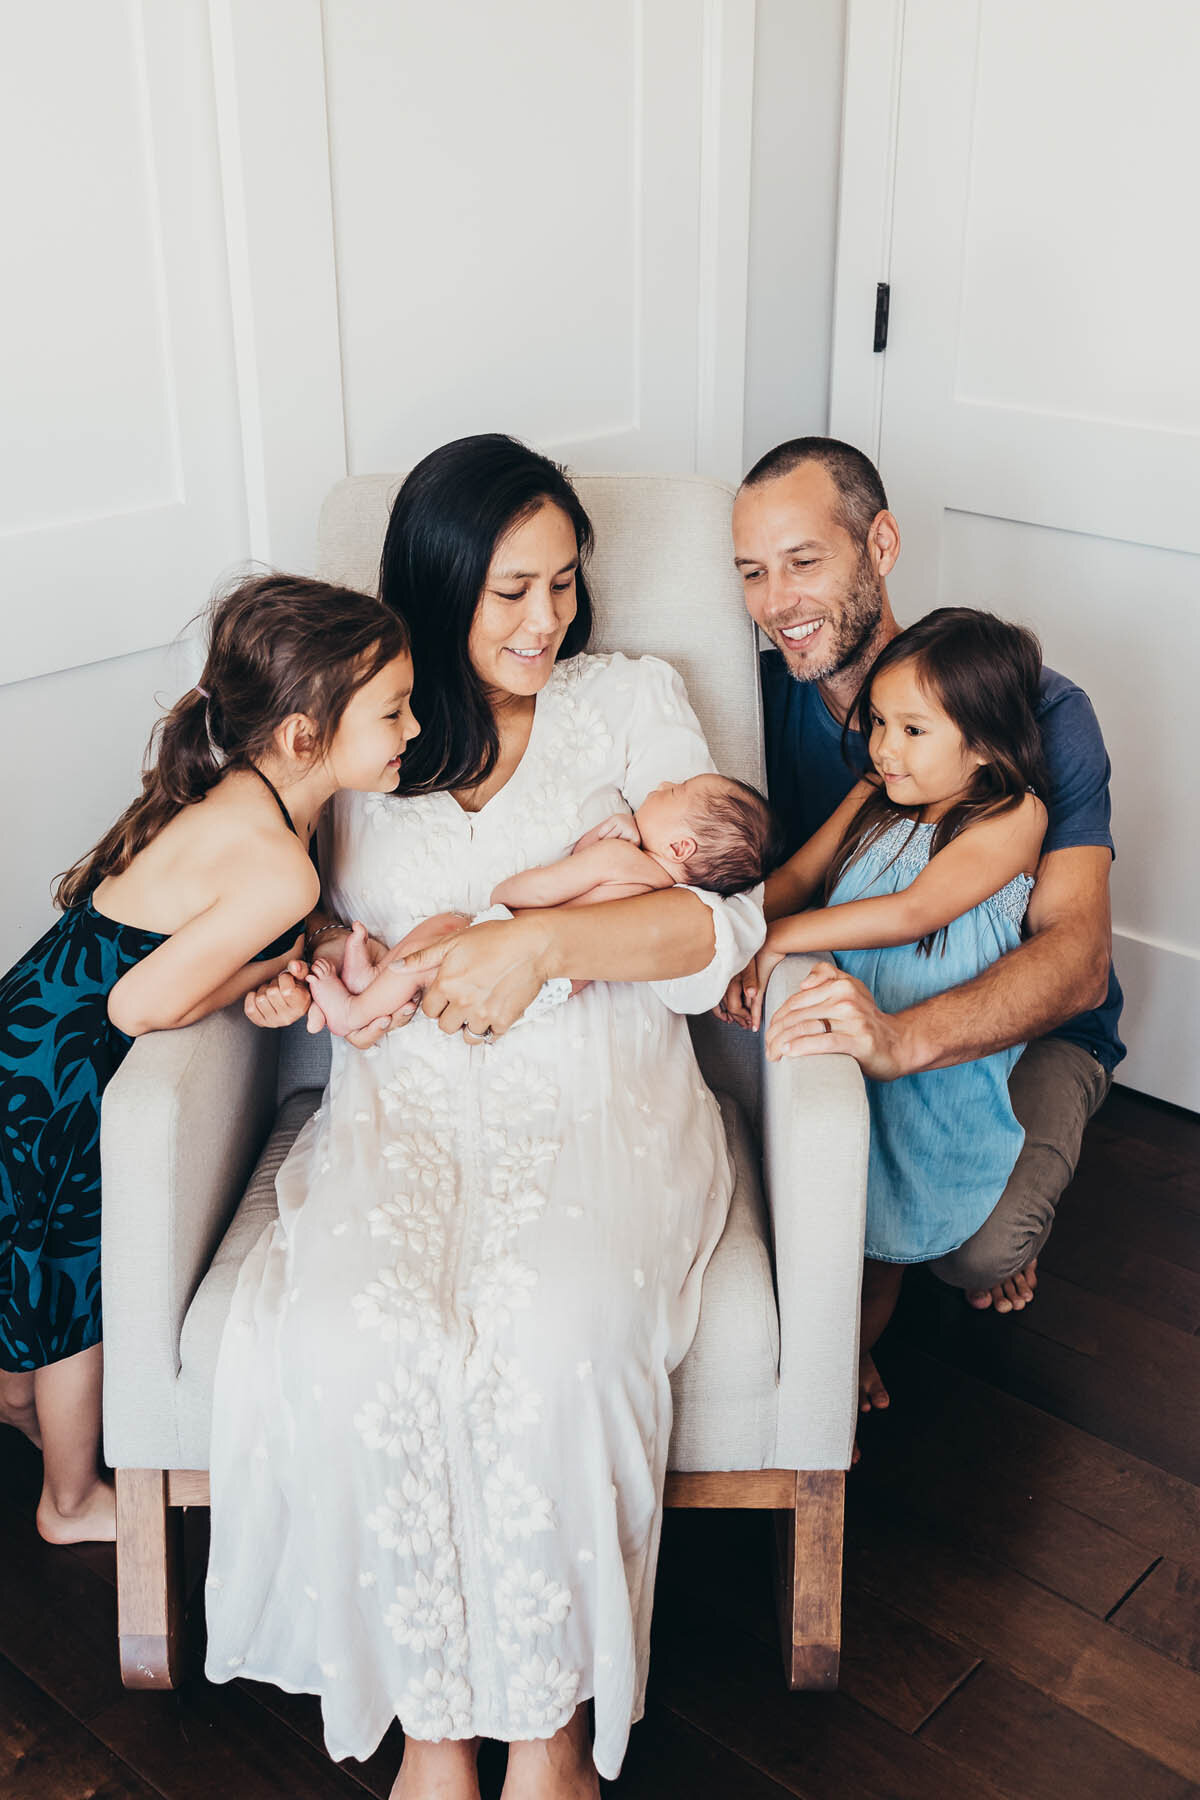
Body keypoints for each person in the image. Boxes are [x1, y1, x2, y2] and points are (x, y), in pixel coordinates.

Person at [207, 434, 766, 1800]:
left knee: (554, 1331)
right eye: (513, 589)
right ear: (439, 582)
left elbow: (721, 913)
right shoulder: (366, 722)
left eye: (565, 583)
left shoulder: (630, 699)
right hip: (403, 1107)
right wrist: (327, 952)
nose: (546, 620)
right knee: (360, 1336)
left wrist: (545, 951)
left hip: (603, 1093)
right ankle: (438, 1730)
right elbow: (305, 894)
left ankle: (548, 1733)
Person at [0, 575, 416, 1544]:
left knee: (27, 1255)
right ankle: (70, 1501)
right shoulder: (282, 861)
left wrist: (279, 961)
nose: (413, 726)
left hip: (27, 1024)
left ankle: (21, 1408)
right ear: (307, 735)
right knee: (71, 1284)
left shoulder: (256, 796)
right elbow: (140, 1001)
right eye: (393, 709)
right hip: (56, 1074)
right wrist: (251, 980)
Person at [729, 435, 1123, 1370]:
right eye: (752, 572)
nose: (777, 602)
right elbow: (783, 879)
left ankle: (994, 1228)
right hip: (864, 997)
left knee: (977, 1245)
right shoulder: (771, 712)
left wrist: (903, 1040)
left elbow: (1075, 961)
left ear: (881, 545)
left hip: (1020, 1026)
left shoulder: (1033, 715)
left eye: (804, 561)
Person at [723, 609, 1047, 1408]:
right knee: (818, 1216)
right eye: (877, 724)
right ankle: (834, 1353)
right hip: (850, 1052)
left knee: (878, 1255)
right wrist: (723, 934)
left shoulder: (1013, 815)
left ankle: (837, 1382)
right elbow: (797, 875)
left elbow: (916, 910)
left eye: (911, 730)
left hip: (932, 1077)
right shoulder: (879, 792)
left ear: (982, 741)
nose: (884, 748)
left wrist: (785, 938)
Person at [306, 773, 779, 1038]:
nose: (662, 785)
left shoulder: (619, 858)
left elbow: (532, 892)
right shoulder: (660, 893)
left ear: (680, 849)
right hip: (557, 989)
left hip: (514, 950)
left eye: (673, 793)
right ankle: (381, 976)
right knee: (432, 962)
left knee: (445, 928)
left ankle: (360, 1006)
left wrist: (505, 897)